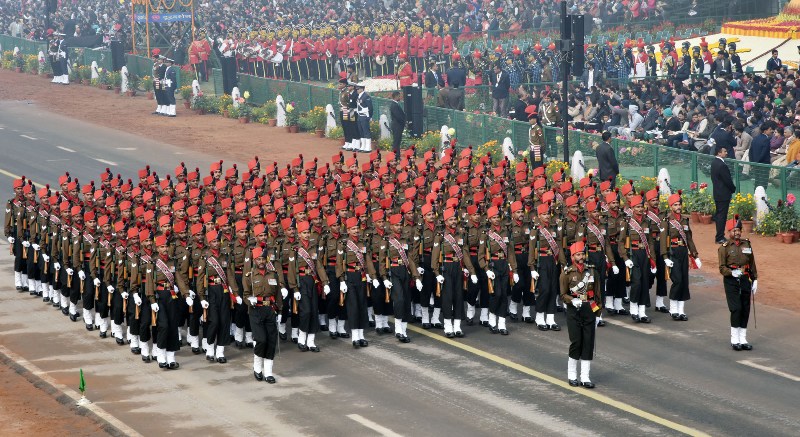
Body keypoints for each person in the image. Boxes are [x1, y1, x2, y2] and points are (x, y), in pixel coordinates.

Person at [560, 241, 601, 388]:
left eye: (582, 253)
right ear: (572, 256)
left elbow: (597, 295)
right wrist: (572, 301)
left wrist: (598, 314)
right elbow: (563, 295)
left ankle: (585, 377)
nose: (581, 256)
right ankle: (572, 374)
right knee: (576, 342)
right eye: (578, 254)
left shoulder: (592, 271)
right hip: (574, 312)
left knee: (588, 343)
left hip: (589, 309)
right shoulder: (567, 273)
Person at [718, 217, 757, 351]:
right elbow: (722, 267)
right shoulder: (724, 248)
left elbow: (751, 263)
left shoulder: (746, 244)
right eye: (734, 230)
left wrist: (755, 279)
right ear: (729, 232)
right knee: (736, 308)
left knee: (745, 308)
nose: (737, 233)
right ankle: (734, 339)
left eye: (739, 230)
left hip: (745, 279)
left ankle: (743, 338)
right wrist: (731, 272)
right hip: (731, 281)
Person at [244, 246, 283, 383]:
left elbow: (278, 295)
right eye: (258, 259)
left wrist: (280, 311)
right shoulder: (249, 276)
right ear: (254, 260)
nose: (261, 261)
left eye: (263, 258)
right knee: (261, 339)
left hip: (270, 310)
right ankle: (257, 366)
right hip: (256, 311)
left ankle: (268, 372)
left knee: (271, 341)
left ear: (266, 259)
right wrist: (250, 300)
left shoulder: (273, 274)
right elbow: (246, 295)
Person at [711, 145, 736, 244]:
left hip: (717, 193)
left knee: (719, 215)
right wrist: (733, 189)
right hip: (723, 194)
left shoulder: (714, 162)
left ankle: (719, 235)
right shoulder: (722, 165)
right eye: (724, 151)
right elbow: (728, 181)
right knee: (722, 216)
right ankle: (719, 237)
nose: (726, 153)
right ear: (719, 153)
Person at [749, 120, 773, 190]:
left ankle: (756, 196)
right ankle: (761, 198)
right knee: (763, 183)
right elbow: (764, 153)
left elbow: (750, 151)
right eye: (770, 130)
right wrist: (759, 162)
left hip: (755, 164)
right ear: (765, 131)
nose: (771, 131)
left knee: (757, 182)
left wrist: (752, 162)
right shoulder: (766, 140)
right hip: (763, 165)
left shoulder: (755, 138)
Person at [354, 83, 373, 153]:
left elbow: (370, 108)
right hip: (359, 116)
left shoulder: (366, 96)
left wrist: (369, 116)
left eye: (358, 89)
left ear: (362, 89)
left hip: (365, 116)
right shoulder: (359, 96)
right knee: (361, 131)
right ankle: (363, 146)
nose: (357, 90)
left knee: (366, 131)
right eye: (356, 89)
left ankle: (368, 147)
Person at [389, 91, 405, 155]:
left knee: (397, 141)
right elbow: (398, 116)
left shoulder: (395, 104)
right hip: (397, 125)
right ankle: (396, 156)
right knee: (396, 141)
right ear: (396, 96)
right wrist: (403, 121)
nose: (400, 97)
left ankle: (397, 155)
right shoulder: (394, 105)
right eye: (399, 96)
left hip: (398, 125)